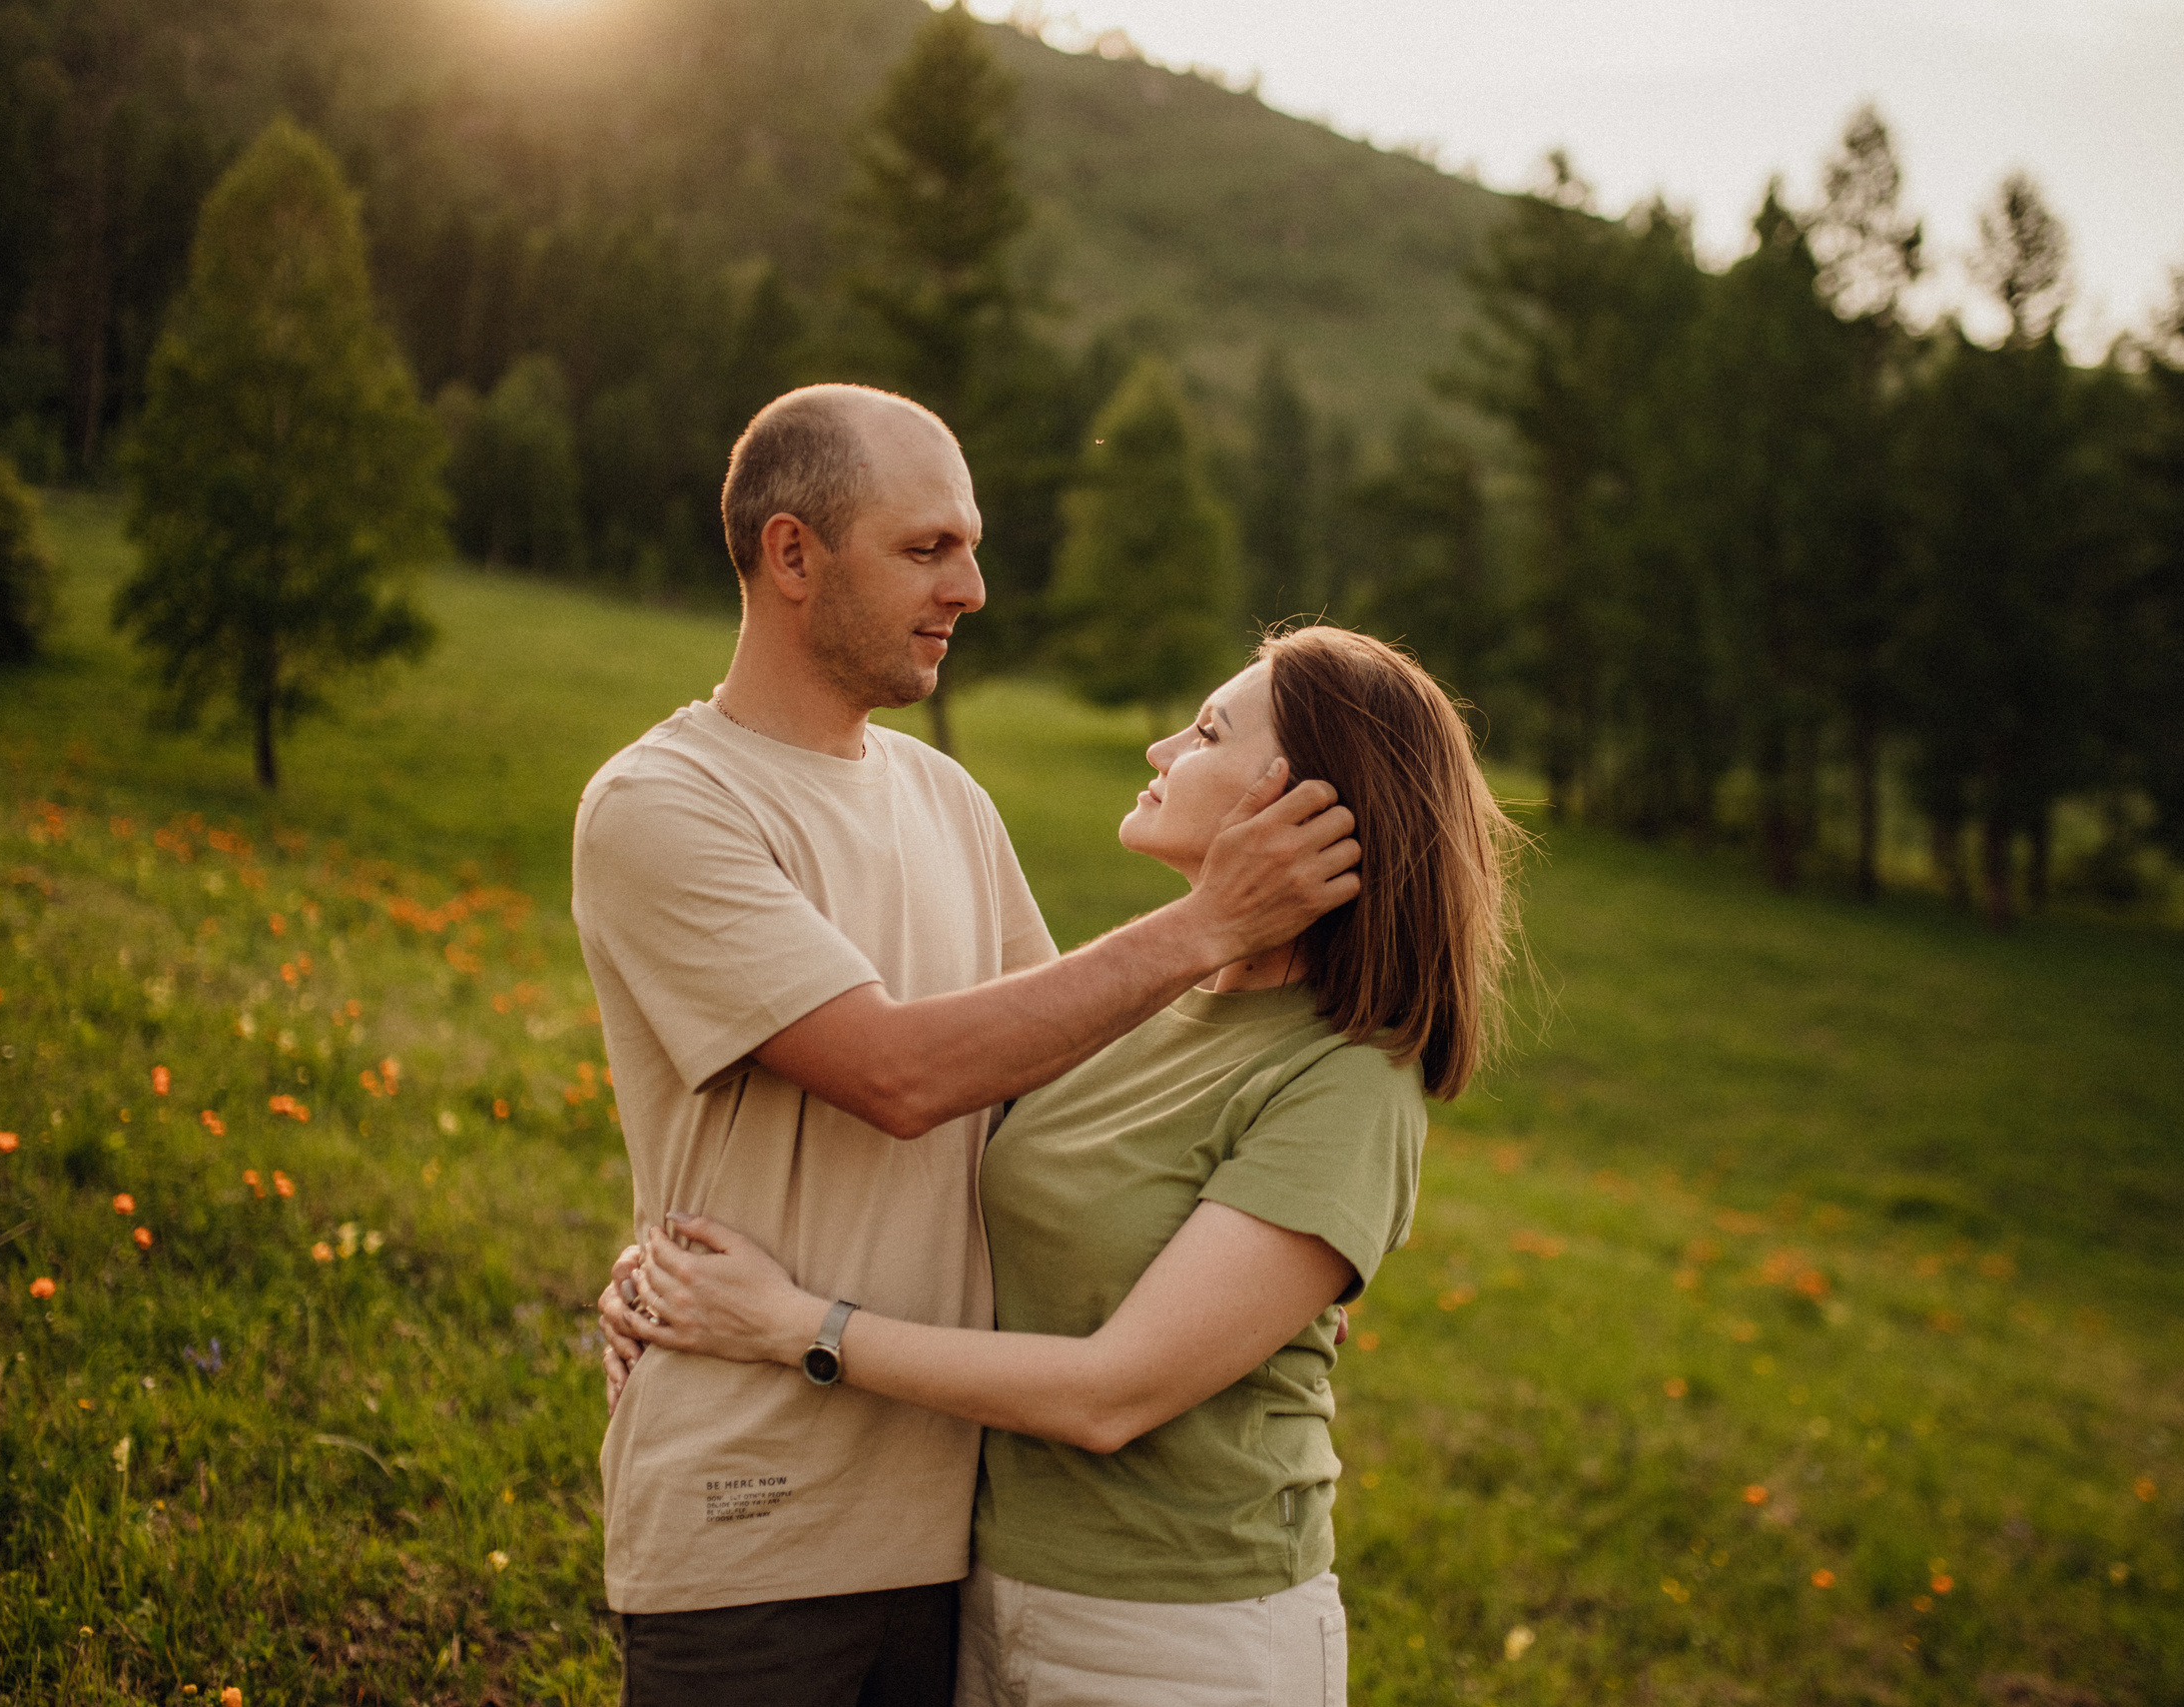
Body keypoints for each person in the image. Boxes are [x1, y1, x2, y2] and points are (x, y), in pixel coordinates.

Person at [573, 383, 1360, 1707]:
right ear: (791, 554)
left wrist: (1287, 1203)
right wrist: (1206, 920)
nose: (974, 586)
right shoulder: (663, 805)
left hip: (965, 1532)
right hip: (753, 1524)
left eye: (972, 544)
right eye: (927, 548)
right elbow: (899, 1075)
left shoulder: (946, 796)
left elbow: (1058, 1094)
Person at [605, 625, 1520, 1706]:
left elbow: (1111, 1393)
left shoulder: (1348, 1078)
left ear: (1302, 803)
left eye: (1208, 731)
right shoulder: (1137, 1008)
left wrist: (789, 1323)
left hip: (1188, 1633)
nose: (1160, 748)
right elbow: (941, 1135)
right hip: (991, 1589)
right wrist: (666, 1260)